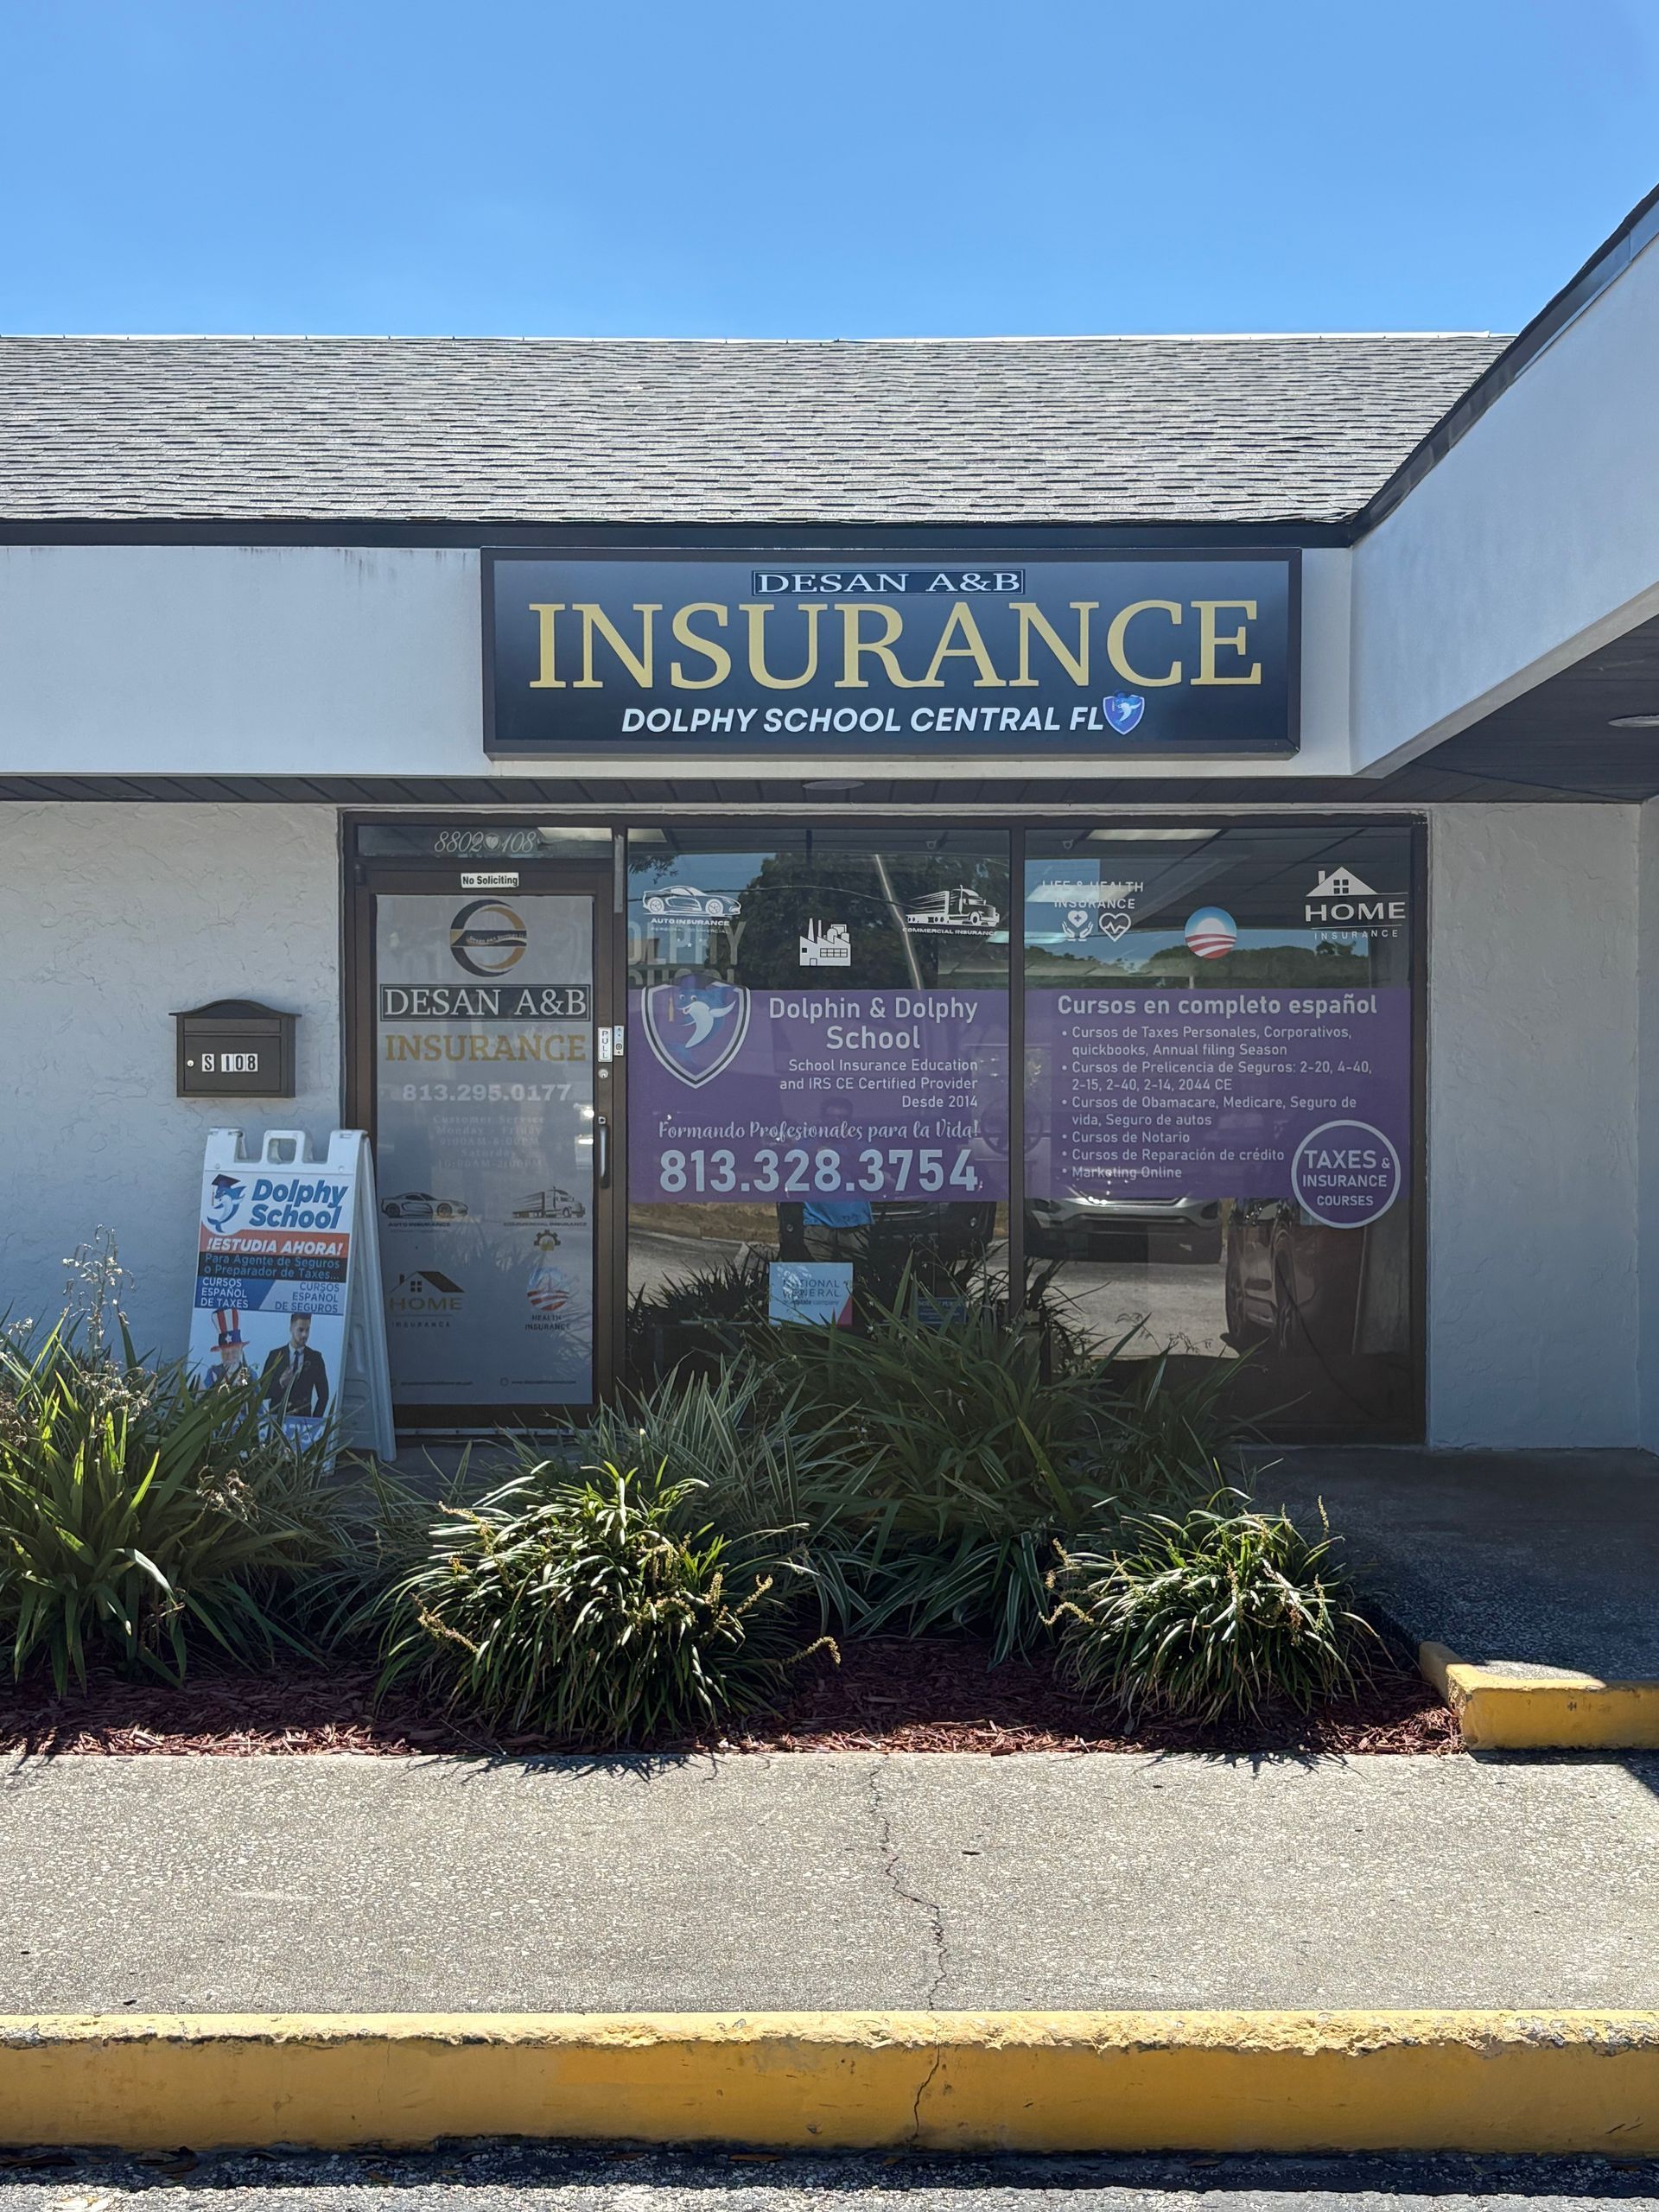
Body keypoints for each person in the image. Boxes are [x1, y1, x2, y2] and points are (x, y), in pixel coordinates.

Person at [259, 1312, 330, 1420]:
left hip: (303, 1422)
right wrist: (280, 1384)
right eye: (300, 1330)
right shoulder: (275, 1356)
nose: (304, 1335)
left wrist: (314, 1421)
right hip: (277, 1420)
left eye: (307, 1330)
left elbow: (324, 1395)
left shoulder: (315, 1358)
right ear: (291, 1328)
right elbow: (262, 1393)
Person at [204, 1309, 251, 1390]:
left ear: (240, 1351)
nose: (229, 1356)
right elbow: (203, 1395)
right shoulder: (213, 1373)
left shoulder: (249, 1373)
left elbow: (257, 1399)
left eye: (233, 1351)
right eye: (225, 1352)